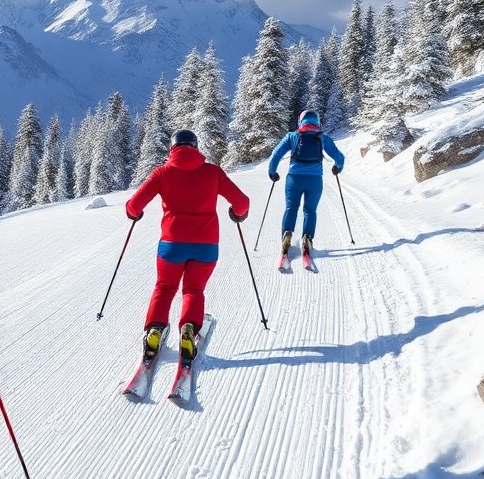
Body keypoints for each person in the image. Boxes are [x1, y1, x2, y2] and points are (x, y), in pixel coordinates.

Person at [124, 129, 249, 361]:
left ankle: (154, 330)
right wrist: (237, 214)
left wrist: (135, 213)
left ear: (172, 148)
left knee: (164, 287)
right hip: (206, 247)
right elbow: (242, 202)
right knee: (194, 290)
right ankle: (189, 330)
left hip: (172, 245)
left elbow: (133, 205)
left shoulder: (162, 172)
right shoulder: (213, 172)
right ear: (196, 146)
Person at [266, 109, 345, 257]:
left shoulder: (292, 136)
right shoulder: (322, 138)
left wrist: (272, 173)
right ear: (317, 121)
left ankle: (287, 236)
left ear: (300, 121)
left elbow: (275, 155)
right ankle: (307, 238)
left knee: (291, 207)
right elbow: (339, 157)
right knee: (310, 210)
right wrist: (337, 168)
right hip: (315, 181)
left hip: (294, 179)